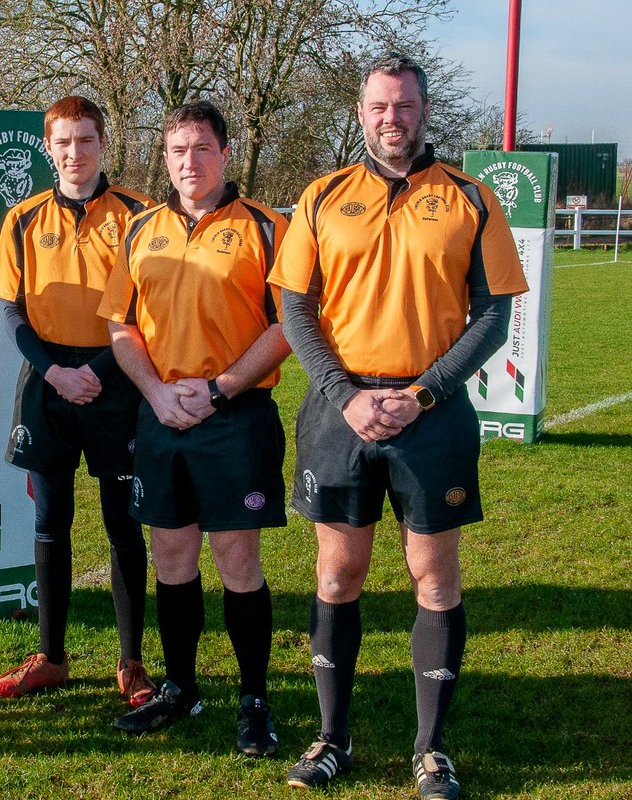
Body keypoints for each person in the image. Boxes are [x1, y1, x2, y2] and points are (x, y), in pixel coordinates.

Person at [269, 53, 528, 799]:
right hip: (339, 411)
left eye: (406, 106)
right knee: (337, 572)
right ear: (362, 113)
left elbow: (493, 316)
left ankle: (431, 750)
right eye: (381, 107)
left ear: (423, 111)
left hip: (432, 415)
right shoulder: (321, 197)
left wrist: (424, 392)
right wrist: (345, 392)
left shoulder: (470, 199)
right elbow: (295, 310)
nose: (394, 119)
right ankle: (331, 737)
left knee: (433, 576)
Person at [98, 101, 290, 757]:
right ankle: (180, 686)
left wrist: (220, 389)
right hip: (161, 416)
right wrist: (154, 391)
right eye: (178, 150)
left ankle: (254, 700)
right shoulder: (140, 228)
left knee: (238, 562)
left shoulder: (268, 227)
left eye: (202, 148)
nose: (189, 162)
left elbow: (289, 324)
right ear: (165, 156)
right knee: (172, 558)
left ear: (225, 154)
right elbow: (120, 325)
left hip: (234, 416)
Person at [0, 96, 156, 706]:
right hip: (48, 384)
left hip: (118, 379)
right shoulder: (23, 218)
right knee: (49, 522)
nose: (75, 153)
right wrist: (55, 372)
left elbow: (145, 311)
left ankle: (131, 662)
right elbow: (11, 307)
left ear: (102, 144)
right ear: (48, 147)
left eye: (86, 140)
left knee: (122, 524)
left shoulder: (138, 215)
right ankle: (51, 657)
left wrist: (96, 370)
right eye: (63, 142)